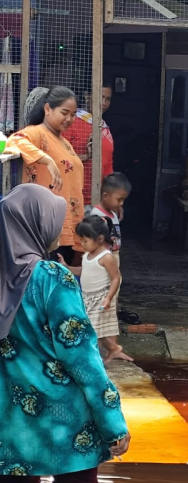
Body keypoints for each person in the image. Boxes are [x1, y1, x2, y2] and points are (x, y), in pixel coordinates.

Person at [0, 184, 130, 482]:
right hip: (65, 423)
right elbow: (82, 359)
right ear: (35, 224)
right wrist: (112, 421)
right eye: (55, 220)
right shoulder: (52, 279)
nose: (62, 228)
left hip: (9, 426)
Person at [4, 86, 83, 265]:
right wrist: (46, 160)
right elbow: (13, 141)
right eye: (64, 113)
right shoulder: (38, 133)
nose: (69, 119)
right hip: (46, 226)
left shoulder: (64, 142)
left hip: (67, 223)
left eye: (73, 114)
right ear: (47, 109)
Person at [60, 215, 131, 365]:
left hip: (100, 298)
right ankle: (113, 348)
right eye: (81, 240)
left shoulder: (106, 257)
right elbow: (83, 271)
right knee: (95, 329)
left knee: (93, 331)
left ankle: (94, 361)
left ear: (99, 239)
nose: (82, 244)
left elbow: (116, 278)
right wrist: (67, 267)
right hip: (87, 298)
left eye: (85, 241)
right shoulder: (87, 255)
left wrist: (109, 298)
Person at [89, 172, 140, 325]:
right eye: (119, 199)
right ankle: (102, 323)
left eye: (123, 200)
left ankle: (111, 321)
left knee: (114, 289)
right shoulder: (97, 215)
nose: (121, 203)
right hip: (104, 261)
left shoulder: (112, 214)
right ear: (105, 196)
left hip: (114, 257)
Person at [62, 82, 115, 211]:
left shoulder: (104, 127)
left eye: (108, 99)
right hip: (74, 198)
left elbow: (108, 165)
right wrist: (86, 156)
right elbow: (59, 159)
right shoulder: (72, 123)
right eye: (101, 97)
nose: (104, 103)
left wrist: (113, 198)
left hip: (97, 199)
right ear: (87, 96)